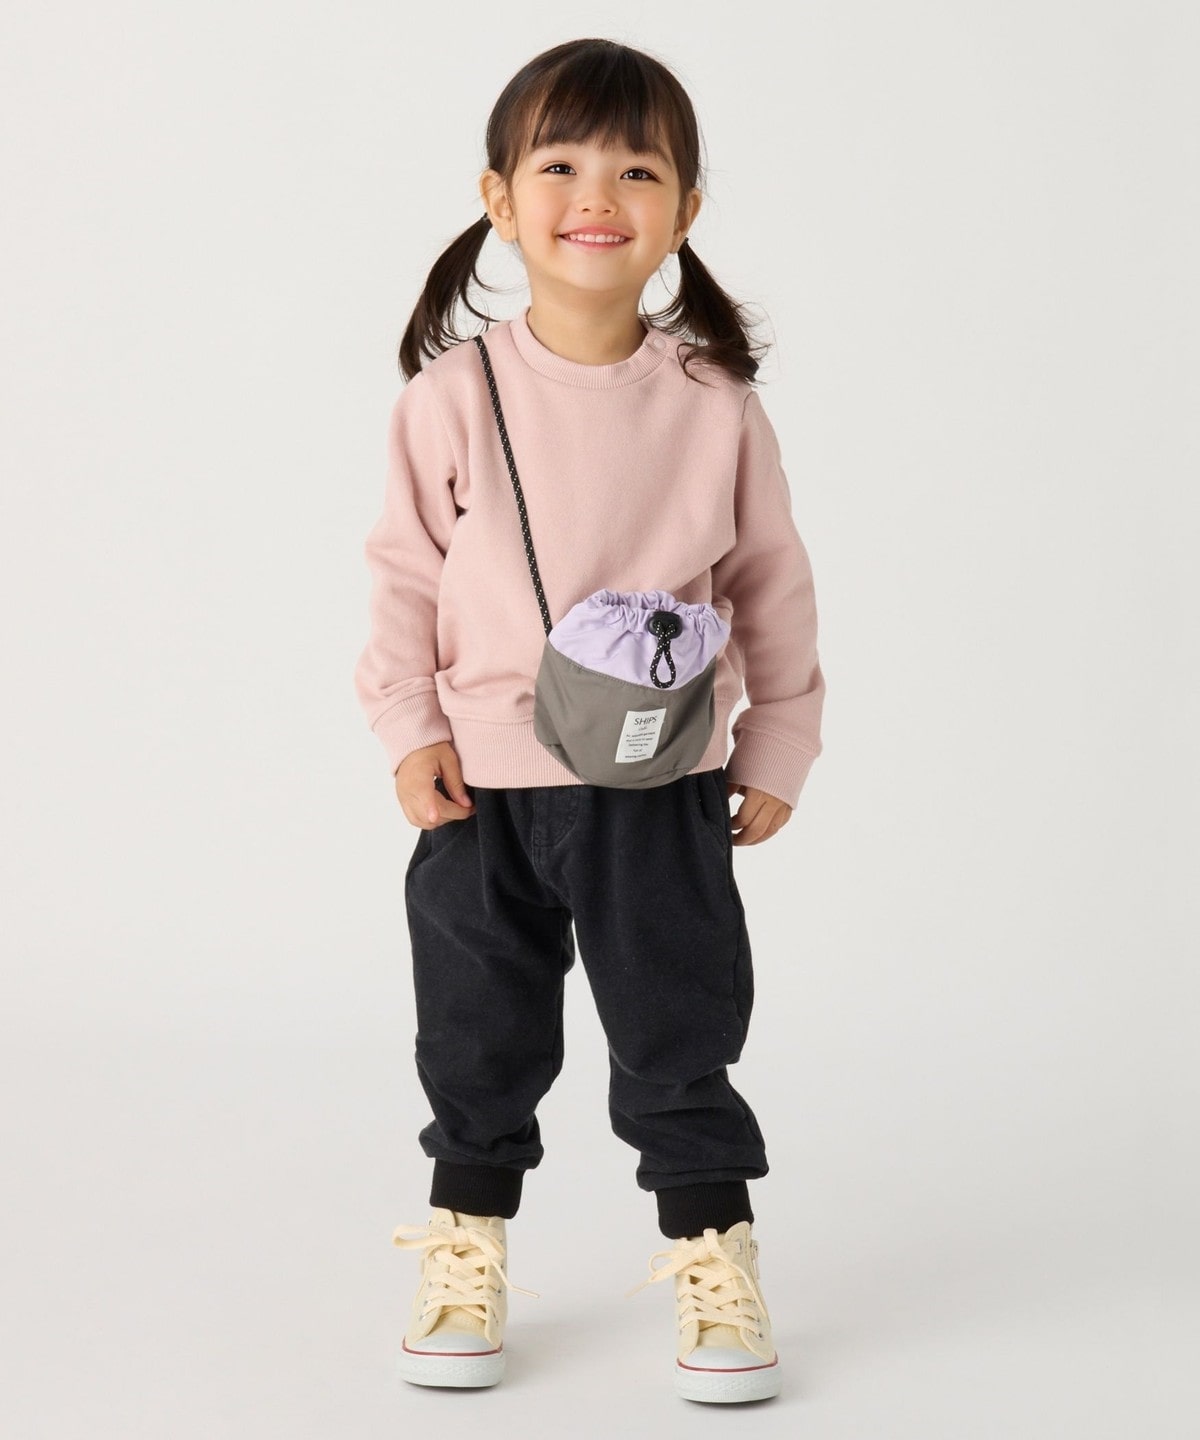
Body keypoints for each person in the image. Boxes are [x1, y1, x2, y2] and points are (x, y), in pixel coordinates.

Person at [353, 37, 826, 1405]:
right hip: (482, 786)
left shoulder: (713, 405)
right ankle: (464, 1245)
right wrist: (408, 727)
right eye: (558, 165)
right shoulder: (452, 397)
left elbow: (771, 583)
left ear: (683, 209)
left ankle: (713, 1253)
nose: (596, 195)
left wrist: (778, 740)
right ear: (500, 200)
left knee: (679, 1028)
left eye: (638, 169)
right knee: (476, 1033)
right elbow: (402, 575)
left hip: (659, 782)